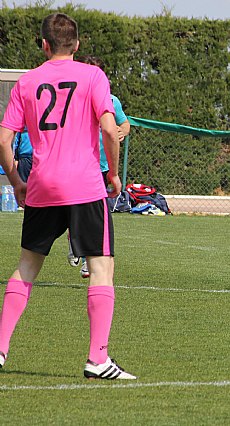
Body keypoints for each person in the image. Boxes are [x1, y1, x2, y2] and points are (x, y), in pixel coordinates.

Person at [0, 13, 136, 379]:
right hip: (85, 186)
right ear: (76, 44)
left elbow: (2, 139)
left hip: (42, 185)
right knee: (102, 266)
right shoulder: (93, 76)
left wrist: (15, 179)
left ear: (44, 45)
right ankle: (98, 358)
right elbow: (109, 129)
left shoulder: (26, 82)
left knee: (27, 268)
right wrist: (112, 173)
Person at [69, 55, 130, 279]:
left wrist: (122, 130)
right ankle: (76, 245)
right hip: (79, 165)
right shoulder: (74, 99)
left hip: (102, 167)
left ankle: (86, 259)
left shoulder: (111, 101)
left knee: (96, 215)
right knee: (75, 210)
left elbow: (124, 123)